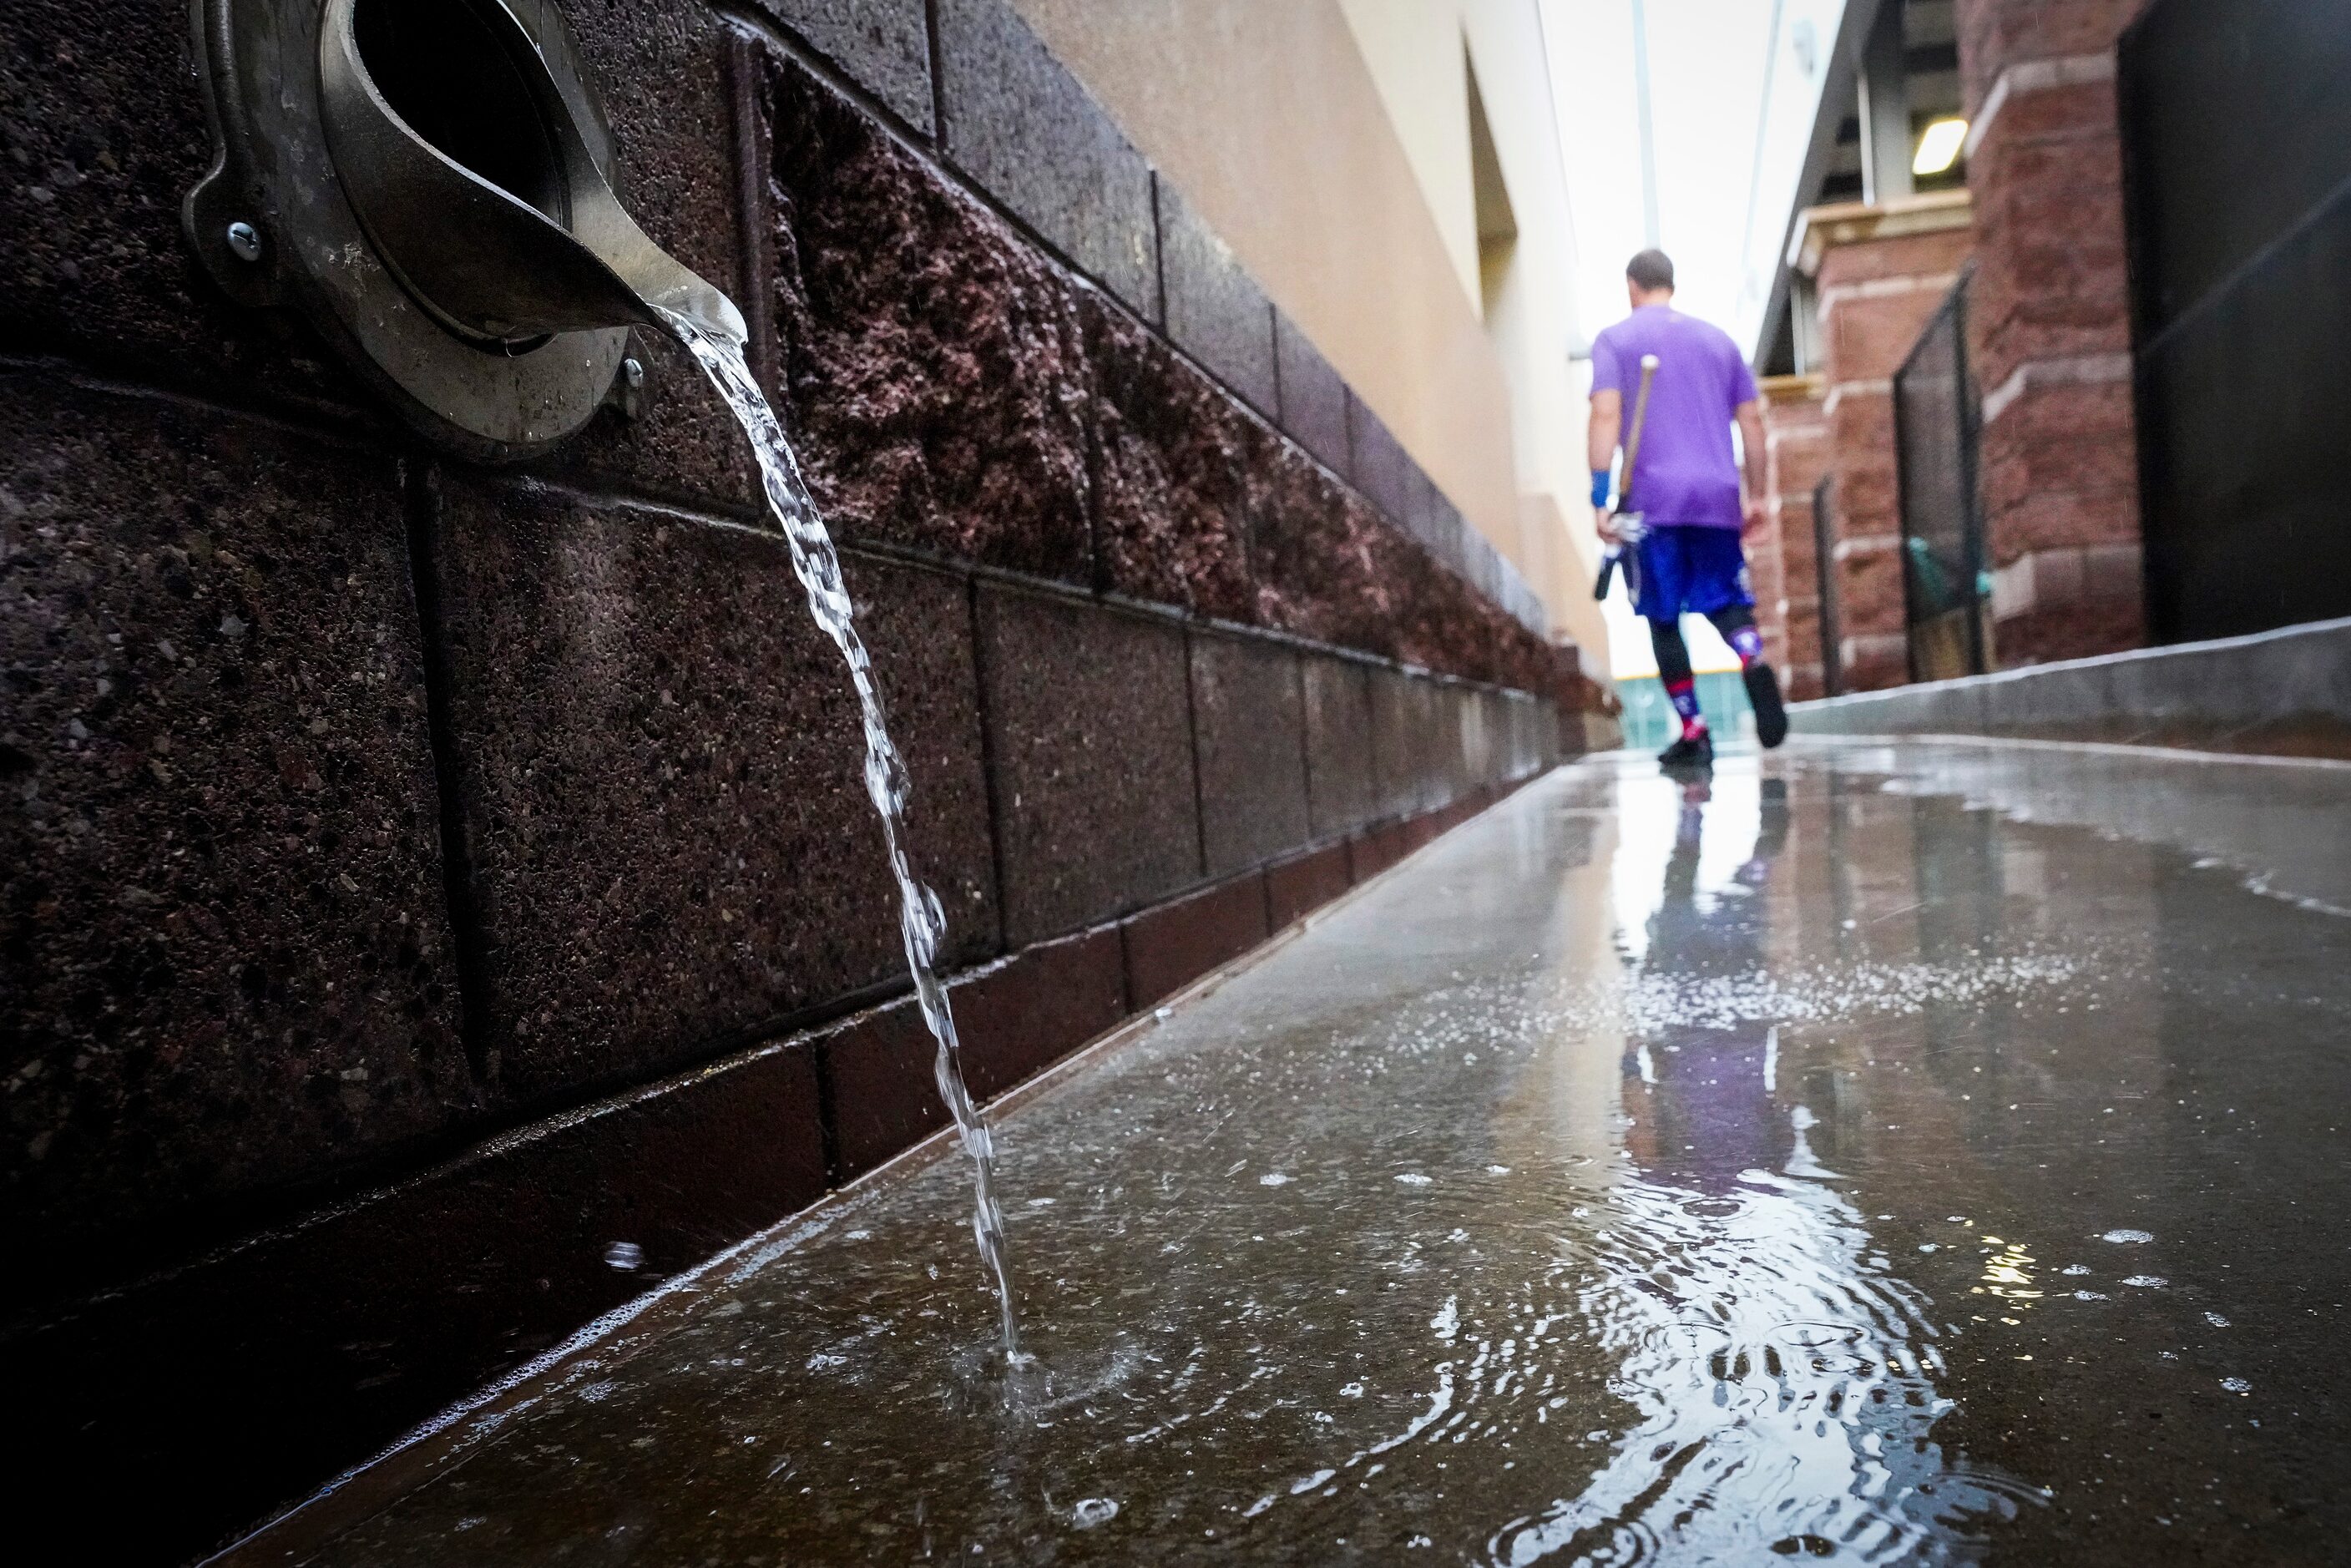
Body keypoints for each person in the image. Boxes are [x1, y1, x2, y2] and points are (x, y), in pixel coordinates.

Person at [1588, 249, 1787, 769]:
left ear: (1632, 286)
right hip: (1717, 495)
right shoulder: (1720, 342)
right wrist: (1758, 494)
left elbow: (1607, 415)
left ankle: (1694, 731)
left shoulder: (1615, 340)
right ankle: (1750, 658)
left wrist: (1599, 496)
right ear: (1670, 285)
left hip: (1651, 501)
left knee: (1662, 616)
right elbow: (1752, 425)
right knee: (1727, 602)